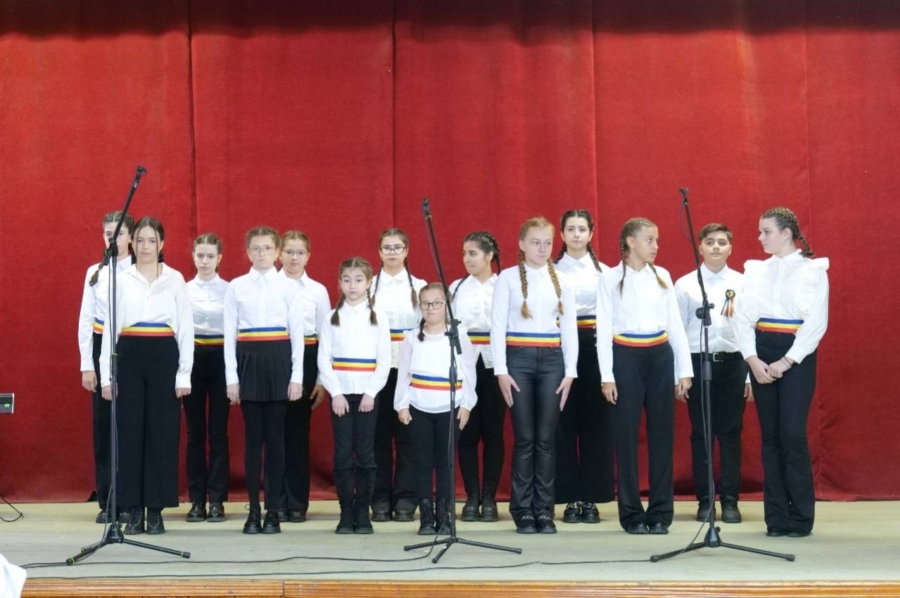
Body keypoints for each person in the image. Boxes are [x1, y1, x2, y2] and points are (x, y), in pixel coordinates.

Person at [731, 207, 828, 538]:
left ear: (786, 234)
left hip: (796, 354)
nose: (760, 237)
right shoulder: (756, 271)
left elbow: (816, 324)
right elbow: (742, 317)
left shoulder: (812, 270)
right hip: (762, 351)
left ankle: (800, 517)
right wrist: (752, 358)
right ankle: (776, 517)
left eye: (766, 231)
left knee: (792, 434)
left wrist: (787, 361)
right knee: (770, 437)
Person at [597, 217, 692, 535]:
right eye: (649, 239)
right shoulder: (610, 278)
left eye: (657, 240)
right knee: (625, 437)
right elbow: (603, 328)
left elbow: (675, 325)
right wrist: (607, 375)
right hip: (625, 357)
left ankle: (661, 512)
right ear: (630, 242)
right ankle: (631, 514)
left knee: (662, 435)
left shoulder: (662, 275)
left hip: (660, 356)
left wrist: (684, 370)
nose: (655, 246)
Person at [100, 217, 194, 535]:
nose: (145, 246)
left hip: (164, 355)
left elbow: (185, 328)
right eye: (139, 240)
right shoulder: (121, 278)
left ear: (161, 244)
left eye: (151, 240)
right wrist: (106, 376)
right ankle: (133, 510)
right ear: (131, 243)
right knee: (129, 434)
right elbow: (109, 328)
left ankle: (155, 509)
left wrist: (184, 374)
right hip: (129, 356)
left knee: (161, 433)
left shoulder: (175, 279)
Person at [491, 217, 577, 534]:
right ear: (522, 244)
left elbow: (569, 329)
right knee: (525, 439)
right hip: (518, 360)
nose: (542, 249)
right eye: (536, 242)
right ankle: (523, 510)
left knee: (546, 440)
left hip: (553, 361)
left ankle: (544, 510)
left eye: (547, 243)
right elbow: (497, 326)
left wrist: (570, 371)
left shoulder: (563, 280)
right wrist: (501, 370)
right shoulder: (507, 278)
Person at [225, 226, 305, 535]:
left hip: (278, 360)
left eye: (267, 248)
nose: (262, 254)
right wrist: (232, 378)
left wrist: (296, 377)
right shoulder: (236, 286)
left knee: (275, 440)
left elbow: (297, 335)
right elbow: (230, 335)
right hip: (248, 361)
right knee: (252, 440)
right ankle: (253, 510)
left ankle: (273, 510)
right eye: (256, 248)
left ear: (277, 252)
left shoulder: (289, 287)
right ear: (248, 252)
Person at [675, 223, 753, 525]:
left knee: (731, 432)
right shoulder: (686, 284)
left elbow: (749, 329)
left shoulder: (743, 283)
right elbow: (678, 332)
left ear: (730, 248)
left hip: (734, 363)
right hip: (698, 364)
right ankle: (705, 500)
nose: (716, 247)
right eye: (710, 242)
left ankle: (730, 499)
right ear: (700, 247)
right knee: (702, 433)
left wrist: (749, 376)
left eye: (722, 242)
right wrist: (680, 374)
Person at [318, 257, 391, 534]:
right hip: (340, 394)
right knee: (343, 454)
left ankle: (363, 511)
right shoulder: (331, 318)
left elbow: (384, 360)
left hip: (367, 395)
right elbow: (324, 360)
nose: (352, 285)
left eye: (358, 280)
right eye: (347, 280)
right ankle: (346, 511)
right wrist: (335, 392)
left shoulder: (378, 317)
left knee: (366, 454)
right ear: (339, 282)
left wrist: (371, 392)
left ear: (369, 282)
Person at [396, 283, 477, 535]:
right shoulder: (412, 337)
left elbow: (469, 372)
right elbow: (403, 374)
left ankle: (444, 516)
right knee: (421, 462)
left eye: (437, 303)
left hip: (450, 406)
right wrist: (402, 404)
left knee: (445, 463)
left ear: (446, 306)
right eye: (425, 303)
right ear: (419, 306)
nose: (430, 308)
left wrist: (467, 404)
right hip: (419, 406)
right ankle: (426, 517)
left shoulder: (458, 335)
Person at [552, 209, 613, 525]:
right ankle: (568, 497)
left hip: (595, 345)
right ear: (561, 234)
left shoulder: (605, 272)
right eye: (570, 229)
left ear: (591, 233)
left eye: (582, 229)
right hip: (559, 346)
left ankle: (591, 497)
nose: (576, 234)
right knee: (562, 422)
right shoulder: (549, 271)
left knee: (596, 422)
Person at [77, 211, 134, 523]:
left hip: (133, 347)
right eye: (109, 234)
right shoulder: (96, 272)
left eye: (120, 233)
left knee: (131, 425)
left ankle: (131, 500)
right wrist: (87, 364)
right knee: (105, 428)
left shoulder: (140, 271)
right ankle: (109, 500)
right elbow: (86, 320)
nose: (114, 239)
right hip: (102, 347)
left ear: (131, 237)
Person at [370, 228, 427, 522]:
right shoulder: (368, 286)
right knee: (377, 436)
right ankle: (379, 497)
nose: (392, 252)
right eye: (387, 247)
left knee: (408, 436)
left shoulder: (420, 287)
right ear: (379, 251)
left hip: (410, 370)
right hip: (376, 370)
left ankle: (406, 498)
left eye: (397, 247)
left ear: (406, 251)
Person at [450, 231, 505, 523]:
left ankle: (489, 496)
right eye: (463, 254)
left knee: (493, 433)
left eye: (472, 253)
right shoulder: (456, 288)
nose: (466, 259)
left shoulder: (503, 285)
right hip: (465, 365)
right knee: (468, 431)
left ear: (489, 256)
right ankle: (471, 495)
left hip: (496, 365)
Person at [278, 230, 331, 523]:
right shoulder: (269, 286)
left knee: (297, 434)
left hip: (309, 358)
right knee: (274, 433)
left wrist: (321, 380)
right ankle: (276, 500)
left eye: (300, 252)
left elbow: (325, 336)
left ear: (308, 256)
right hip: (275, 357)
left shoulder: (317, 291)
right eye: (289, 252)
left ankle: (297, 502)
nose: (294, 258)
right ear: (279, 254)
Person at [184, 233, 231, 523]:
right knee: (195, 433)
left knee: (218, 432)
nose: (204, 261)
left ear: (219, 258)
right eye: (200, 256)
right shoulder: (184, 289)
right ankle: (196, 500)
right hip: (193, 359)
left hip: (221, 358)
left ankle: (216, 499)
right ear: (193, 256)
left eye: (210, 256)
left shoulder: (229, 290)